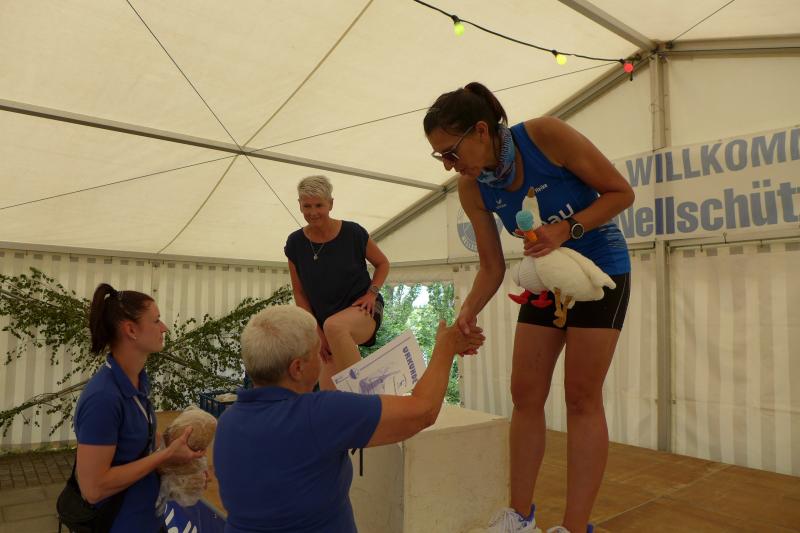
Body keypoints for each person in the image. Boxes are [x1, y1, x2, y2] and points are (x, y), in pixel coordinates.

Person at [423, 82, 634, 533]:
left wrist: (567, 229)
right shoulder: (471, 187)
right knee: (524, 393)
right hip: (544, 276)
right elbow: (491, 266)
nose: (449, 165)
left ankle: (573, 527)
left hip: (600, 272)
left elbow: (621, 193)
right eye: (440, 156)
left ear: (482, 131)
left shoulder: (544, 135)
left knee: (581, 397)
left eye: (451, 152)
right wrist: (467, 313)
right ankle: (518, 518)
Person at [213, 305, 484, 533]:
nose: (323, 359)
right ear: (297, 368)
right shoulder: (318, 415)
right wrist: (445, 347)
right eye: (318, 352)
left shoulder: (228, 422)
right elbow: (423, 411)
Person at [72, 284, 205, 533]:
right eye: (156, 321)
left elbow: (139, 442)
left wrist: (182, 462)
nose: (164, 327)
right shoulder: (102, 398)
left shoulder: (138, 380)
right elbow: (93, 489)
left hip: (149, 519)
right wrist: (165, 455)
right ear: (131, 330)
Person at [285, 175, 390, 389]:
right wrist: (316, 333)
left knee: (335, 326)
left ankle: (365, 396)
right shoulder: (295, 243)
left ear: (330, 204)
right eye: (307, 206)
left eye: (319, 205)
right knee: (329, 395)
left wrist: (371, 293)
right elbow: (299, 293)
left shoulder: (353, 233)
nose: (313, 212)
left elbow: (383, 263)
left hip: (363, 311)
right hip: (324, 325)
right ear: (299, 205)